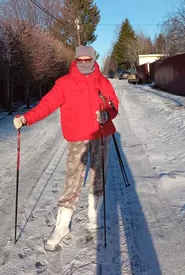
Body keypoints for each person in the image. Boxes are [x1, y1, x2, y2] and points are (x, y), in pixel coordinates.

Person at [13, 46, 119, 251]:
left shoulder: (102, 81)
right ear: (76, 60)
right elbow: (46, 105)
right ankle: (62, 227)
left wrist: (107, 115)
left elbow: (113, 104)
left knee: (99, 177)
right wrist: (26, 119)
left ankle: (94, 215)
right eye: (80, 60)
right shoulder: (64, 84)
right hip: (77, 138)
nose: (84, 63)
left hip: (101, 135)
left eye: (88, 59)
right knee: (72, 182)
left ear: (94, 59)